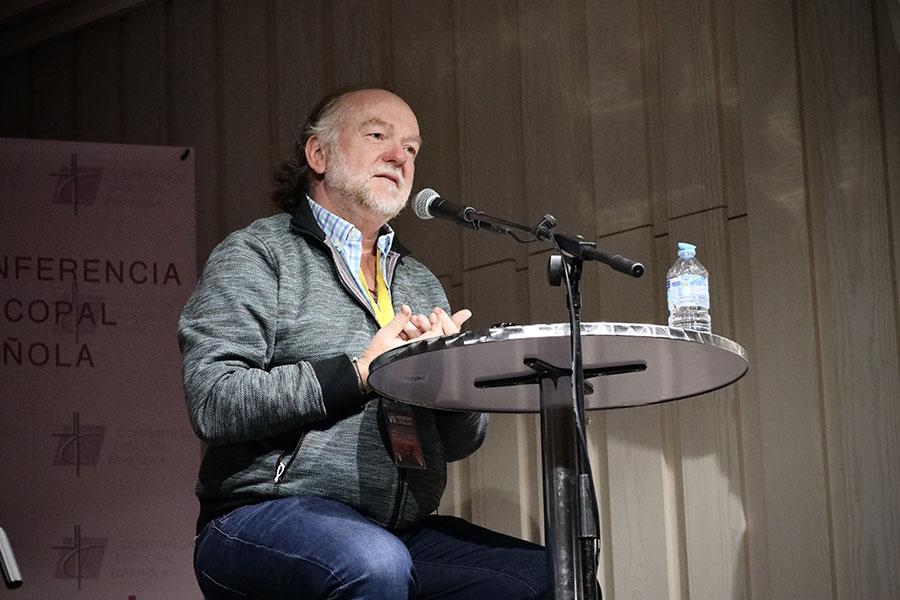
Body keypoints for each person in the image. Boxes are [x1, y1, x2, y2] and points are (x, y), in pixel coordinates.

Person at [179, 88, 549, 599]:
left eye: (413, 149)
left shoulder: (418, 282)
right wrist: (358, 372)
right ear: (318, 154)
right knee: (373, 564)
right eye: (378, 136)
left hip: (397, 528)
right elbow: (214, 399)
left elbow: (462, 443)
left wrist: (450, 385)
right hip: (260, 515)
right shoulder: (257, 255)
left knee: (545, 576)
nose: (400, 157)